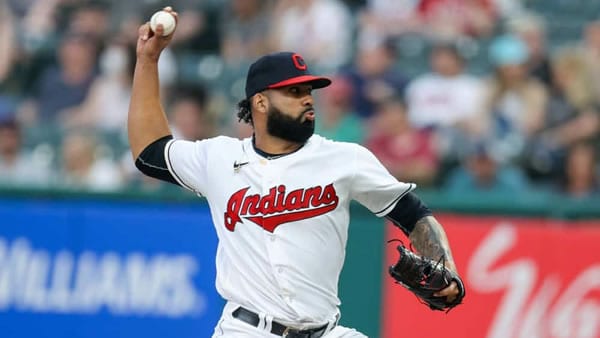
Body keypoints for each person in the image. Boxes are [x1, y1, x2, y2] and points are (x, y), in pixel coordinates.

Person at [128, 7, 463, 338]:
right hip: (246, 330)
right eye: (293, 92)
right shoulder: (219, 157)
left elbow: (413, 213)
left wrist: (444, 266)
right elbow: (149, 152)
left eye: (308, 91)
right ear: (260, 103)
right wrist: (148, 60)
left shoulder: (345, 159)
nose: (307, 100)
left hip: (326, 331)